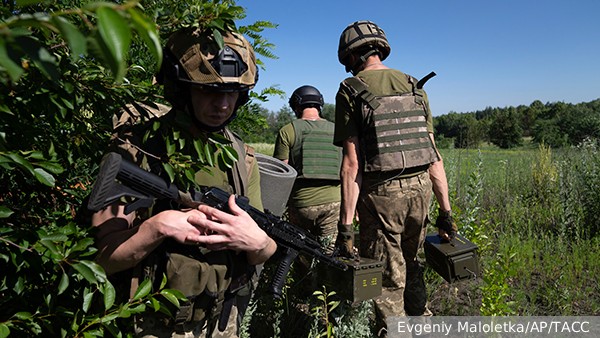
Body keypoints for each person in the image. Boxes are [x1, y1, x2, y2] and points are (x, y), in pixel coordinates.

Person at [91, 25, 277, 338]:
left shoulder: (241, 156)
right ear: (181, 88)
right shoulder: (139, 147)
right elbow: (104, 259)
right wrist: (157, 227)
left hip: (219, 323)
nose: (222, 105)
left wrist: (259, 244)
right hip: (149, 325)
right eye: (209, 91)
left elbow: (263, 247)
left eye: (231, 92)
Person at [332, 20, 457, 336]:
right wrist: (446, 212)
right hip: (422, 192)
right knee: (412, 265)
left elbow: (351, 165)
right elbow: (433, 157)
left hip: (382, 196)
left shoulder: (351, 89)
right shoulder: (415, 86)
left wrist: (345, 229)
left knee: (386, 282)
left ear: (350, 57)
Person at [273, 85, 342, 255]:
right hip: (334, 203)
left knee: (300, 254)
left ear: (296, 106)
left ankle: (305, 281)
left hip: (301, 204)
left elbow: (281, 173)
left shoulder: (288, 130)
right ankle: (328, 281)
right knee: (330, 255)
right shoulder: (337, 130)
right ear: (320, 105)